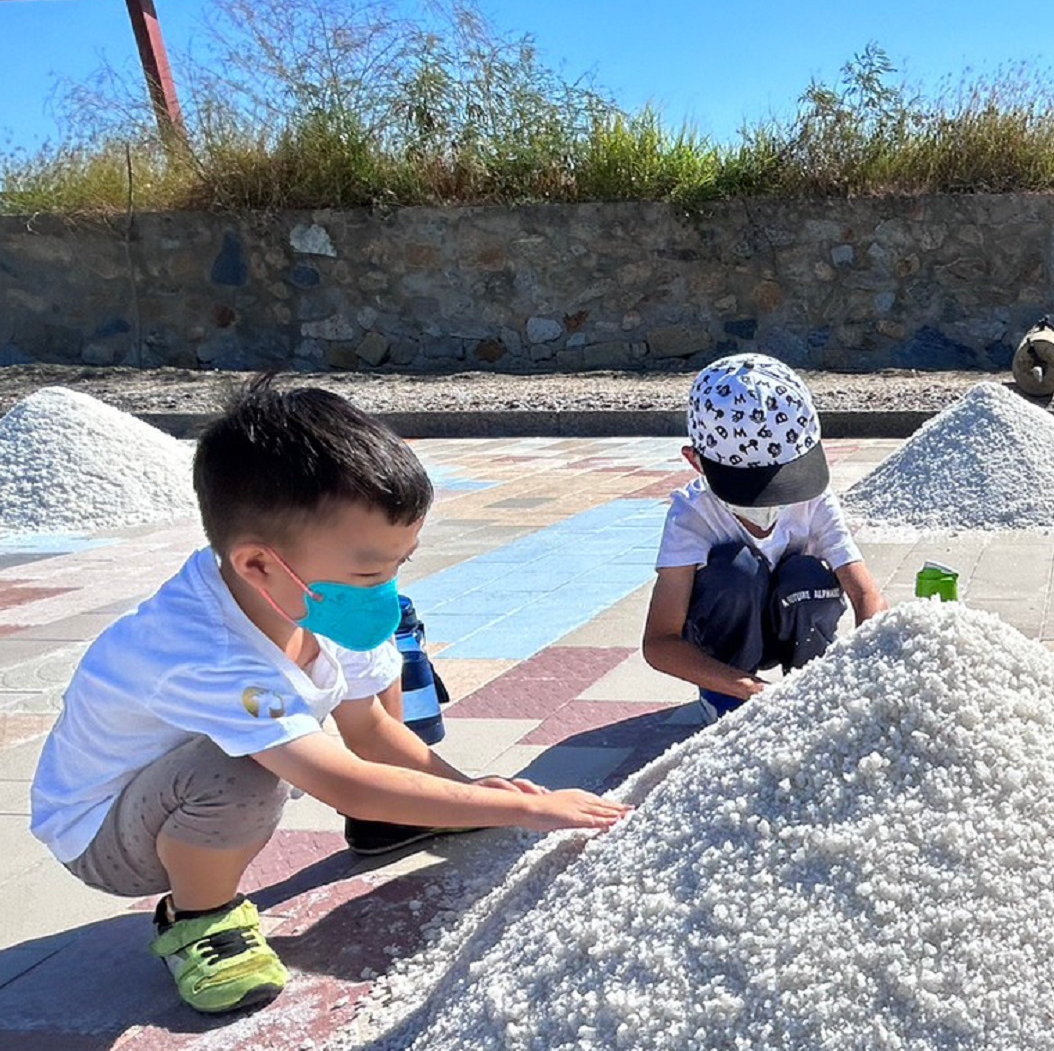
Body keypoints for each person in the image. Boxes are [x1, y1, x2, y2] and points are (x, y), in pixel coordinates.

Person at [28, 379, 631, 1015]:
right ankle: (199, 918)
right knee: (237, 773)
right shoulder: (200, 650)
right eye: (370, 573)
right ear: (258, 563)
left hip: (182, 791)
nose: (386, 588)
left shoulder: (306, 599)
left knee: (279, 745)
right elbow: (339, 780)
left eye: (400, 563)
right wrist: (523, 813)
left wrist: (472, 795)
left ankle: (385, 818)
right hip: (105, 837)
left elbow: (369, 727)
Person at [641, 354, 886, 716]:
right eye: (751, 487)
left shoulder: (814, 500)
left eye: (779, 483)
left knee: (806, 574)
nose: (767, 501)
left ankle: (808, 678)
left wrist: (869, 666)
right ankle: (724, 694)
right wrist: (750, 689)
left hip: (793, 622)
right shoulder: (692, 516)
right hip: (729, 649)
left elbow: (866, 593)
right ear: (696, 462)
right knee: (734, 571)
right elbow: (660, 641)